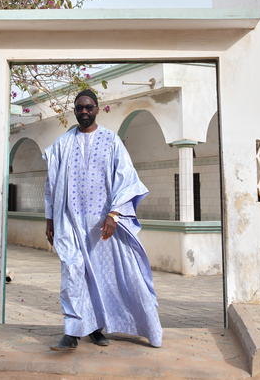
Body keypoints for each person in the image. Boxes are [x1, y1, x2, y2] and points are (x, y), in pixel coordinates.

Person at [43, 89, 163, 351]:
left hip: (102, 227)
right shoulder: (62, 144)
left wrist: (114, 214)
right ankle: (72, 332)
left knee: (101, 277)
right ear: (75, 111)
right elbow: (51, 185)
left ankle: (96, 329)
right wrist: (50, 220)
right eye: (79, 108)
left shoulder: (111, 141)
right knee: (73, 273)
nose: (83, 111)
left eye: (88, 107)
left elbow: (126, 179)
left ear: (97, 109)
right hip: (70, 222)